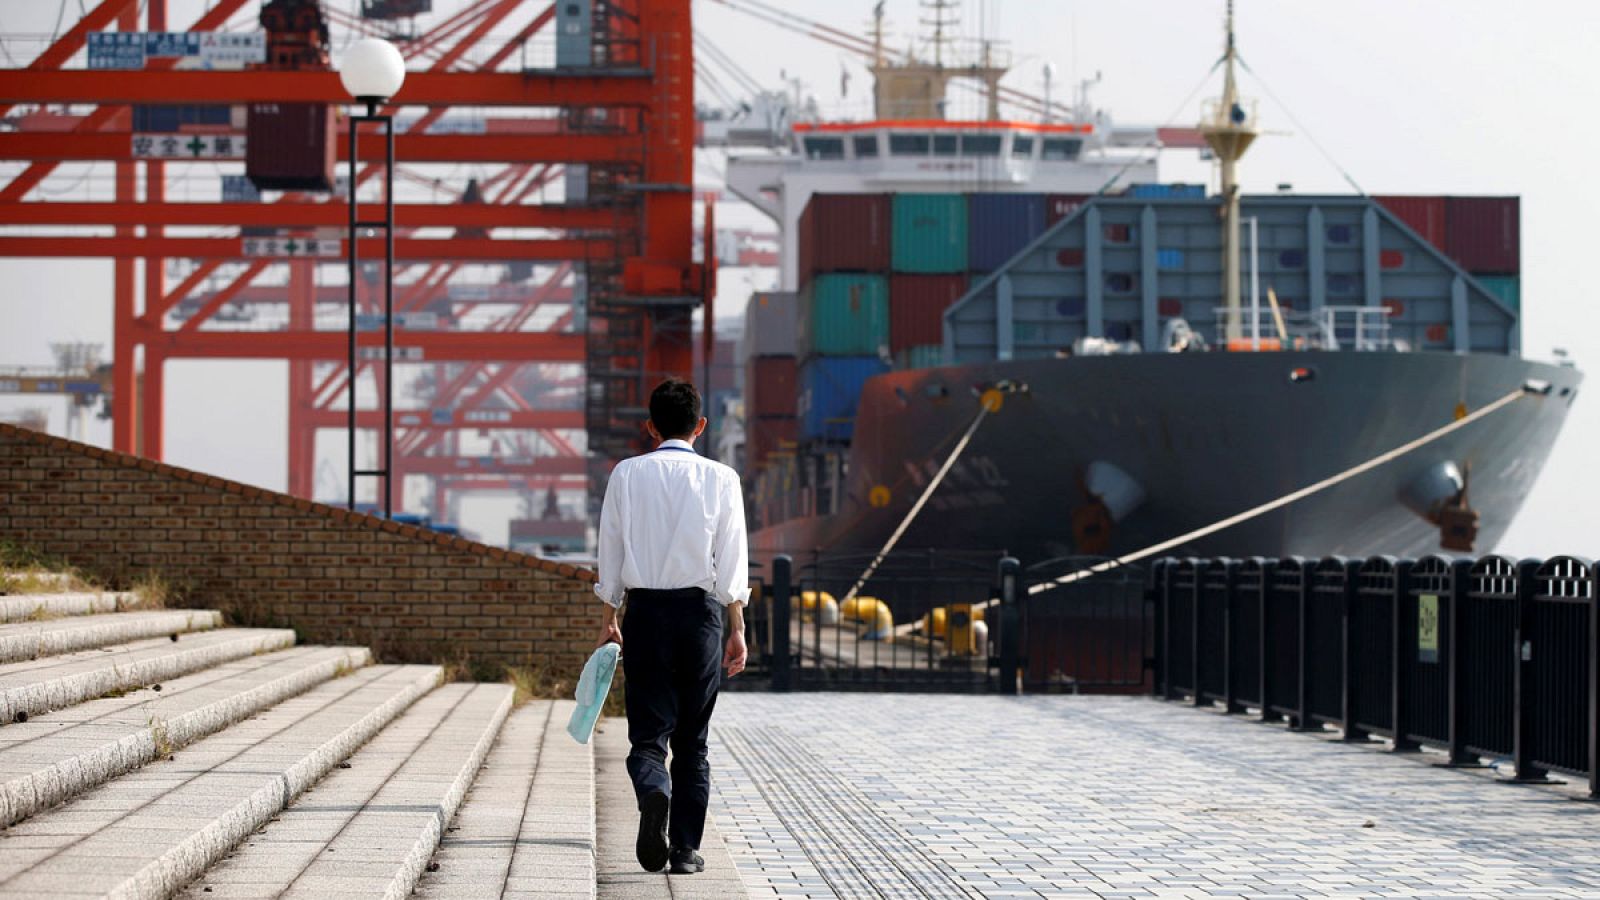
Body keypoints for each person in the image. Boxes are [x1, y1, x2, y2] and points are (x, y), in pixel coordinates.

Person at [594, 378, 749, 875]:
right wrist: (737, 626)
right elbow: (732, 560)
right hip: (700, 614)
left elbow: (611, 550)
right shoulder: (722, 478)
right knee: (693, 742)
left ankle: (652, 790)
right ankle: (684, 851)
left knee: (647, 736)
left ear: (650, 427)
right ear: (701, 426)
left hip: (645, 613)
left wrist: (608, 616)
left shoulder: (626, 474)